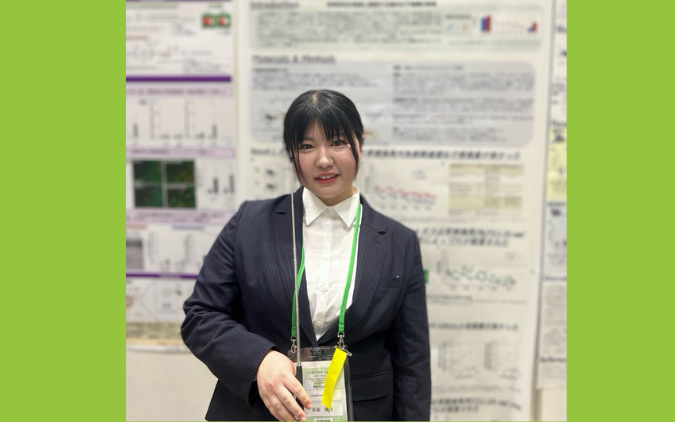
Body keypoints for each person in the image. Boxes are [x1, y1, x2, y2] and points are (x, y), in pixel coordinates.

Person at [182, 90, 431, 421]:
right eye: (307, 146)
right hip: (257, 411)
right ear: (292, 154)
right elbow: (201, 315)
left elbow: (412, 361)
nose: (323, 160)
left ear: (360, 144)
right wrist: (259, 360)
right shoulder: (250, 223)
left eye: (338, 142)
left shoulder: (399, 242)